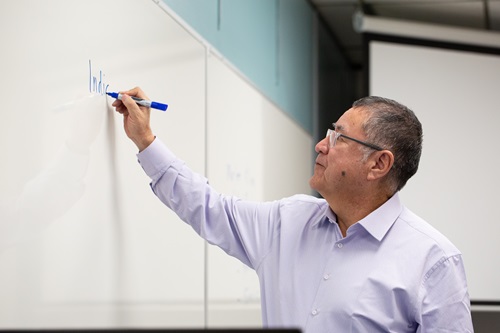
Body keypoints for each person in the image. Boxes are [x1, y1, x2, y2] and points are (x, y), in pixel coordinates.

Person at [112, 87, 474, 333]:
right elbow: (208, 207)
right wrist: (145, 141)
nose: (321, 144)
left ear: (378, 164)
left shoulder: (433, 262)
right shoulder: (286, 223)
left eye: (338, 137)